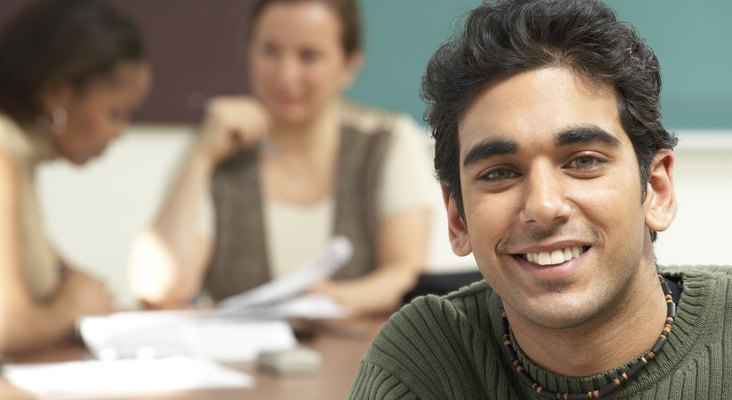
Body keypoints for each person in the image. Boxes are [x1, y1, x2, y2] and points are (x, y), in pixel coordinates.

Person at [348, 0, 732, 399]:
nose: (542, 206)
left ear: (657, 189)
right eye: (499, 173)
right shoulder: (423, 363)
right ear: (457, 217)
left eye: (584, 161)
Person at [128, 0, 433, 317]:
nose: (286, 74)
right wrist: (200, 157)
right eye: (270, 51)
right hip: (239, 361)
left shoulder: (386, 141)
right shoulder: (217, 145)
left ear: (349, 65)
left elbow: (407, 274)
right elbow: (160, 289)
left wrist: (329, 299)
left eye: (309, 56)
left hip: (357, 360)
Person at [0, 0, 151, 354]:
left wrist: (74, 292)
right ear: (57, 94)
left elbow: (64, 280)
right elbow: (5, 325)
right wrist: (70, 308)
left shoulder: (19, 159)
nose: (120, 134)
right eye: (116, 113)